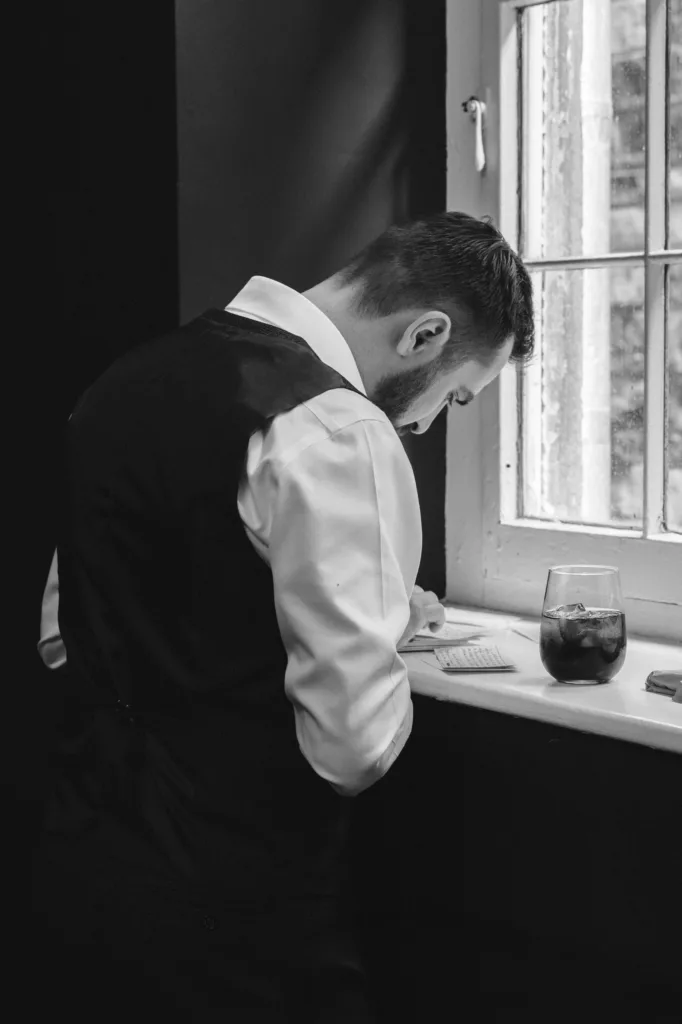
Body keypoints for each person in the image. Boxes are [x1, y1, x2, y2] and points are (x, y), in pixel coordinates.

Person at [31, 212, 534, 1022]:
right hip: (235, 893)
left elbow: (64, 633)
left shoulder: (125, 381)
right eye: (458, 392)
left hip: (83, 853)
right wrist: (375, 629)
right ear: (425, 334)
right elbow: (353, 747)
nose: (428, 421)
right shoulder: (335, 427)